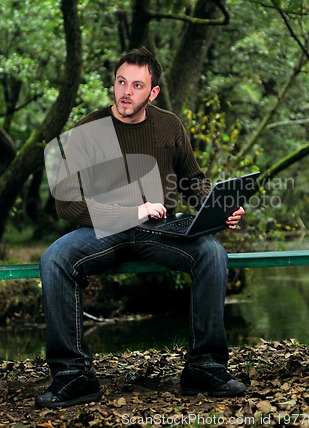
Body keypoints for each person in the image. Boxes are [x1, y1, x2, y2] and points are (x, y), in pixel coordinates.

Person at [35, 47, 246, 409]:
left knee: (211, 252)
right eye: (120, 82)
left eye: (136, 85)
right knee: (55, 258)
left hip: (160, 230)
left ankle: (204, 366)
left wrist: (219, 209)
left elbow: (193, 182)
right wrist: (131, 211)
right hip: (105, 228)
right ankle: (73, 375)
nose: (125, 92)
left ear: (153, 92)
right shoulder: (88, 129)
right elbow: (66, 204)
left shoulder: (169, 125)